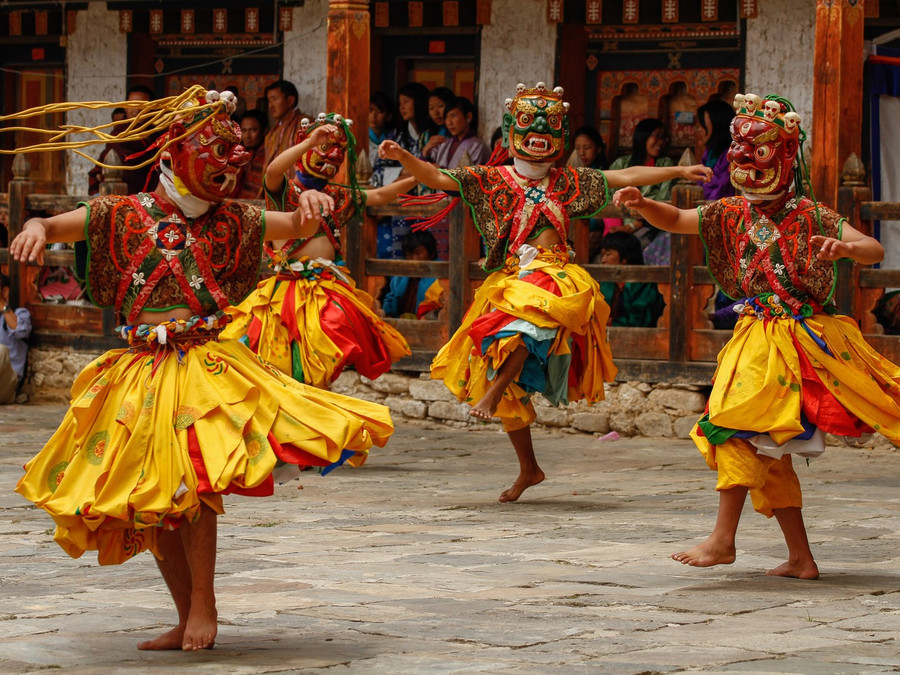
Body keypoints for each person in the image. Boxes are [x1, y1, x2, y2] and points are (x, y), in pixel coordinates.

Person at [8, 87, 393, 650]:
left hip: (203, 364)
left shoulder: (235, 219)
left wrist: (311, 203)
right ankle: (185, 611)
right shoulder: (123, 213)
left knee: (196, 482)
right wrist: (37, 229)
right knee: (154, 497)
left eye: (234, 155)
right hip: (141, 370)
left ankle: (205, 604)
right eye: (214, 152)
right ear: (173, 154)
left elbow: (294, 226)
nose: (229, 166)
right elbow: (58, 225)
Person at [613, 92, 900, 579]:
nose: (746, 164)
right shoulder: (730, 212)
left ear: (785, 156)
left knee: (731, 425)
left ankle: (723, 540)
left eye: (759, 152)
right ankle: (801, 558)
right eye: (739, 154)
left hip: (801, 337)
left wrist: (845, 249)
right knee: (767, 447)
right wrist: (643, 205)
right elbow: (679, 220)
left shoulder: (811, 214)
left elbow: (872, 247)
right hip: (756, 335)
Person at [380, 82, 711, 502]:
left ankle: (494, 394)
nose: (538, 133)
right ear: (511, 130)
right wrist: (403, 156)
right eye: (529, 124)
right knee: (499, 365)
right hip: (511, 277)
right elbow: (436, 176)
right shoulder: (491, 180)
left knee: (526, 324)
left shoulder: (568, 181)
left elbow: (625, 176)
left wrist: (678, 172)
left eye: (548, 126)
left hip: (554, 275)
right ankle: (529, 467)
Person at [222, 112, 413, 388]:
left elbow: (381, 195)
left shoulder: (337, 195)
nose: (331, 159)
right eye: (322, 151)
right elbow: (273, 171)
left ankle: (318, 396)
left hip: (327, 289)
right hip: (288, 290)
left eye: (337, 155)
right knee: (285, 357)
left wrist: (417, 177)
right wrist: (309, 142)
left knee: (327, 347)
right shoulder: (284, 193)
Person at [372, 82, 431, 259]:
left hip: (429, 200)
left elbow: (438, 167)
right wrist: (408, 172)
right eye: (400, 103)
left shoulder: (433, 134)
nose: (402, 107)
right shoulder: (396, 136)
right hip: (401, 200)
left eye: (406, 101)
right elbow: (379, 169)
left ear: (418, 102)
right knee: (401, 252)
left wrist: (411, 168)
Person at [428, 96, 490, 259]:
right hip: (440, 206)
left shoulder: (478, 146)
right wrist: (426, 153)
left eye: (454, 116)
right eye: (447, 117)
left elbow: (471, 179)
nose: (449, 122)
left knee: (461, 254)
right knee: (440, 254)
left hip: (464, 207)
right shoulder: (444, 144)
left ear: (468, 116)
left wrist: (440, 171)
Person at [609, 118, 675, 263]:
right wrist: (617, 226)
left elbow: (663, 199)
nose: (660, 142)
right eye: (656, 136)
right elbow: (608, 195)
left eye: (663, 138)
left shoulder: (665, 165)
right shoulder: (622, 164)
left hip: (650, 226)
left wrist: (633, 226)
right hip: (618, 224)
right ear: (643, 136)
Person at [597, 231, 665, 327]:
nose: (603, 260)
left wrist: (611, 322)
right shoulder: (605, 283)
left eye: (608, 254)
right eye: (602, 255)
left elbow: (640, 320)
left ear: (625, 258)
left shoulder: (645, 284)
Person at [380, 230, 444, 319]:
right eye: (409, 255)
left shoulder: (441, 273)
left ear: (431, 253)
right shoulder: (400, 274)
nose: (414, 259)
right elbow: (390, 299)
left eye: (418, 253)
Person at [569, 126, 609, 259]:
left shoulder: (605, 174)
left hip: (596, 232)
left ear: (598, 149)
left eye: (587, 148)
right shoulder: (568, 174)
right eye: (577, 148)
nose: (582, 152)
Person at [0, 273, 31, 404]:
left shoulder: (20, 313)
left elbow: (21, 332)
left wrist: (2, 305)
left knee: (1, 351)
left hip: (6, 385)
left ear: (4, 291)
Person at [263, 79, 306, 171]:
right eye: (269, 101)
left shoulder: (304, 124)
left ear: (290, 101)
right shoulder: (274, 130)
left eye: (274, 99)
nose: (270, 106)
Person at [233, 109, 268, 199]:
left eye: (253, 130)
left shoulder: (268, 153)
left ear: (264, 131)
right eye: (244, 130)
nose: (247, 136)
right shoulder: (240, 153)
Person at [422, 86, 455, 160]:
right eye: (431, 108)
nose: (436, 113)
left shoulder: (457, 132)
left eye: (440, 106)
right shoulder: (426, 136)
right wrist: (426, 150)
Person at [368, 91, 396, 163]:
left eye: (379, 111)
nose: (373, 115)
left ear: (389, 116)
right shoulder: (361, 137)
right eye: (370, 111)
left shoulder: (394, 136)